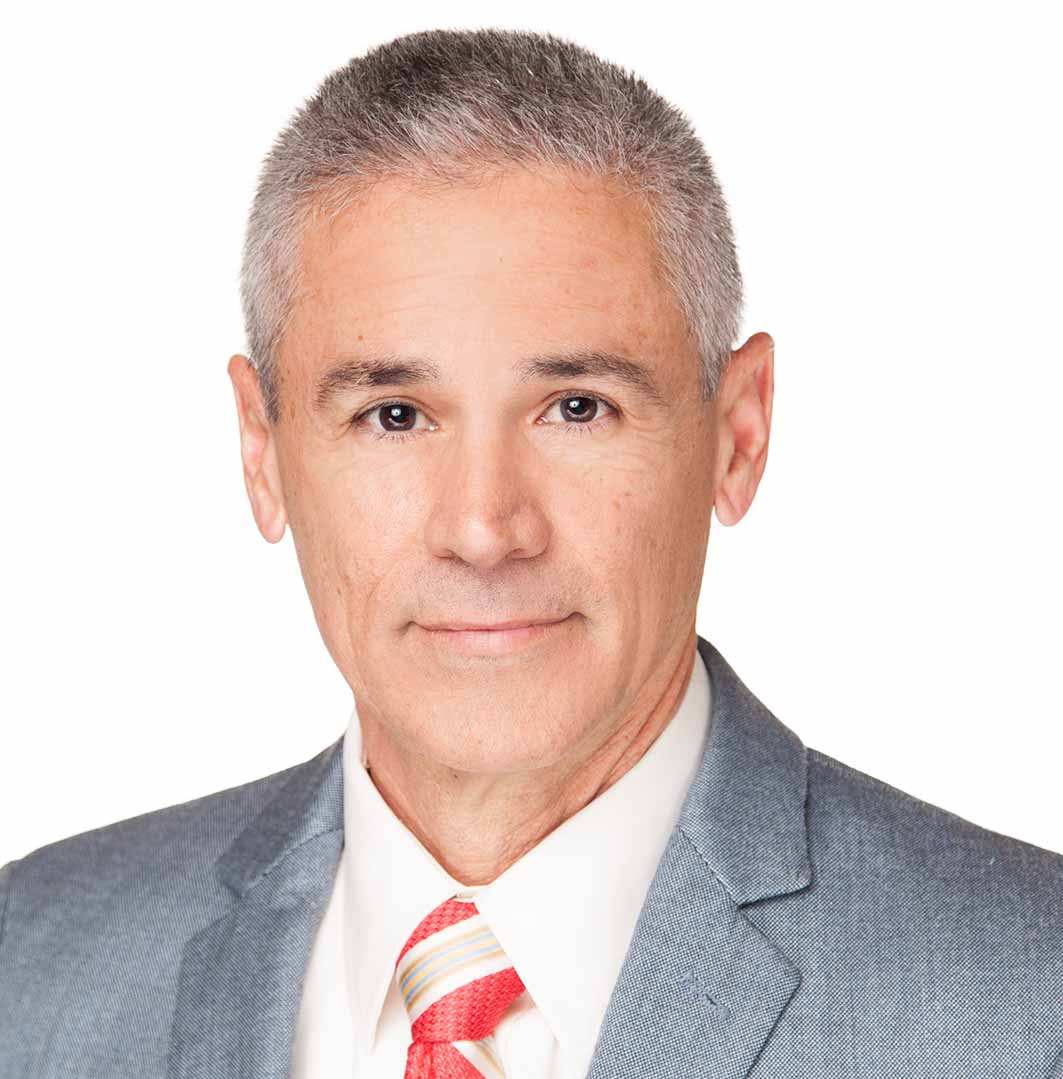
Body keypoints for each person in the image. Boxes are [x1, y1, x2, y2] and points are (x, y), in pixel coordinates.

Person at [0, 26, 1060, 1079]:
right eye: (394, 415)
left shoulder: (1026, 1002)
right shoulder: (33, 967)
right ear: (261, 452)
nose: (483, 527)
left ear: (737, 435)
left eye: (576, 406)